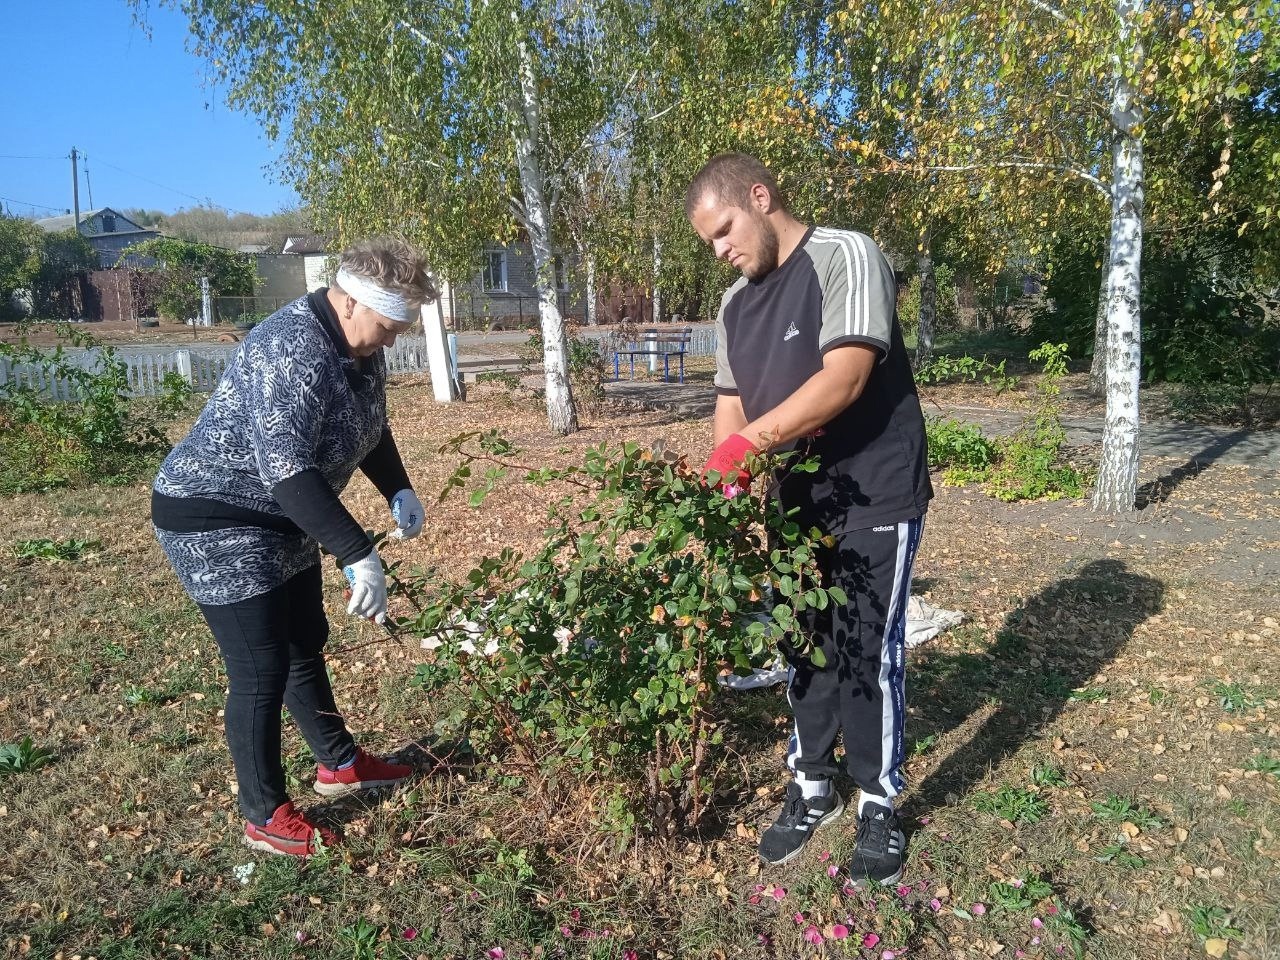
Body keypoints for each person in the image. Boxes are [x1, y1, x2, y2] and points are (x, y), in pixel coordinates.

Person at [686, 154, 932, 884]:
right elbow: (731, 407)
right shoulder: (735, 306)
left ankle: (879, 802)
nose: (722, 249)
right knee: (805, 645)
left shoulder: (844, 255)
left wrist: (744, 448)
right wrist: (721, 484)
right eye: (711, 244)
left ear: (761, 199)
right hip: (795, 503)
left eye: (726, 230)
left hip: (874, 490)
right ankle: (812, 784)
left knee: (864, 646)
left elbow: (847, 375)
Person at [151, 237, 436, 857]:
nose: (391, 341)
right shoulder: (292, 349)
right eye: (389, 326)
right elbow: (286, 470)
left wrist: (399, 488)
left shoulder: (358, 346)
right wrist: (356, 550)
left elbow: (370, 423)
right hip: (215, 517)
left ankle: (337, 763)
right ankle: (264, 816)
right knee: (260, 668)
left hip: (283, 516)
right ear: (353, 303)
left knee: (306, 638)